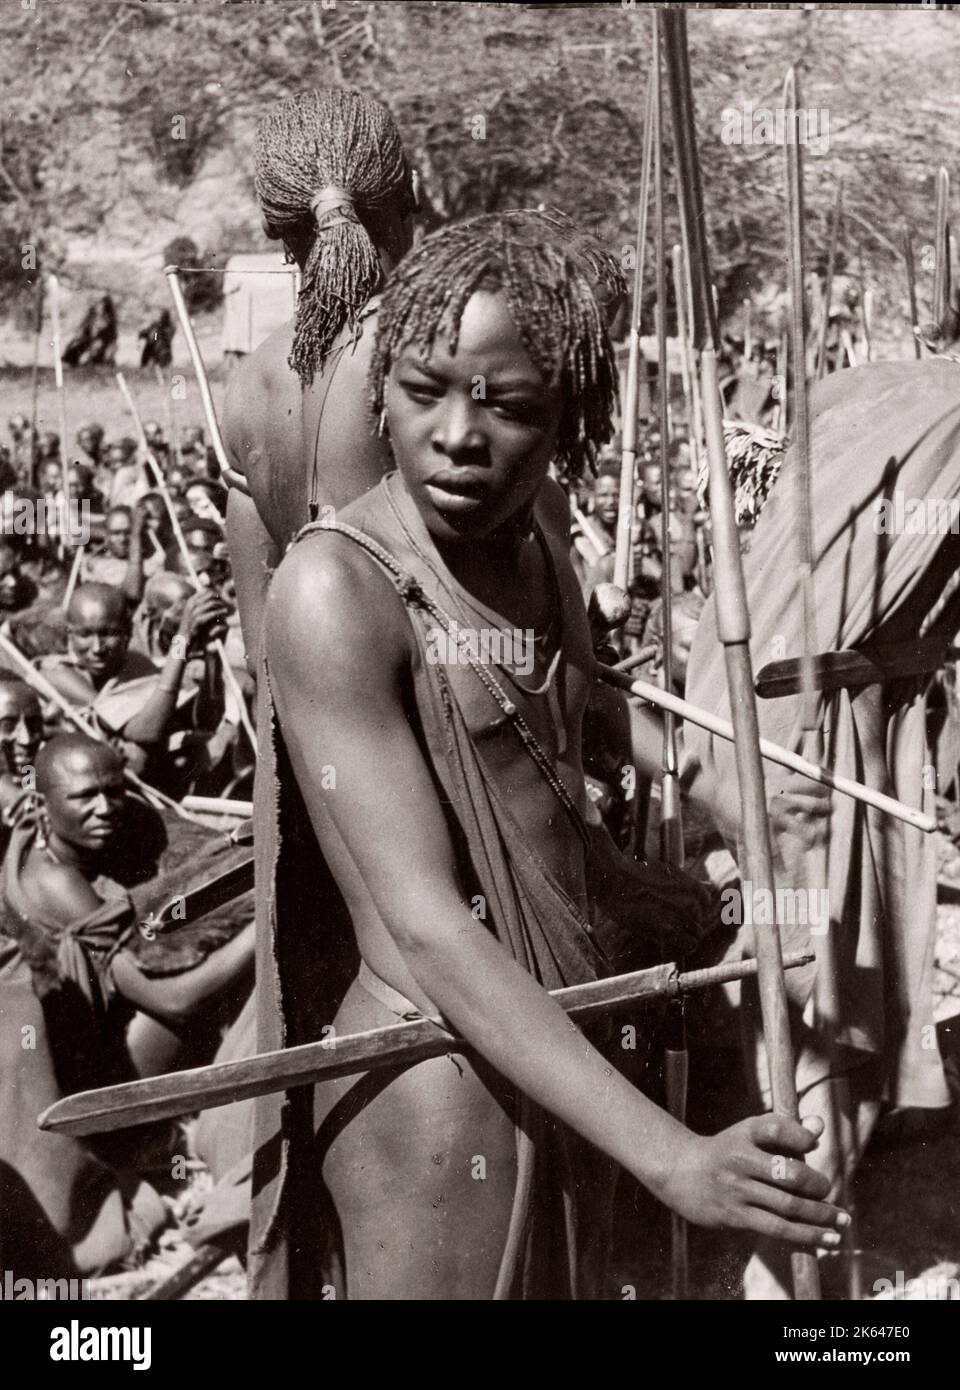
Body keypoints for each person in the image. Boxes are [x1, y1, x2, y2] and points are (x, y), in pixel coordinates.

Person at [254, 218, 848, 1300]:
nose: (456, 438)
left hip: (571, 1040)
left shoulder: (533, 547)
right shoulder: (336, 594)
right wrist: (672, 1154)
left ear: (575, 416)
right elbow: (429, 926)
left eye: (510, 406)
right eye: (422, 390)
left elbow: (572, 712)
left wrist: (702, 781)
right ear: (381, 390)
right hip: (441, 1082)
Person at [683, 358, 958, 1297]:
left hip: (749, 704)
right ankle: (801, 1303)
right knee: (819, 1029)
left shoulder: (879, 385)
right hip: (808, 728)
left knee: (794, 1013)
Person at [0, 733, 255, 1275]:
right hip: (91, 1083)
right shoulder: (52, 882)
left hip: (91, 1039)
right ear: (42, 803)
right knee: (203, 999)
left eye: (115, 793)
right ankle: (155, 1136)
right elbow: (176, 1001)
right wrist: (263, 924)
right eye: (85, 797)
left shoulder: (77, 840)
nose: (105, 809)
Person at [222, 87, 418, 669]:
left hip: (298, 729)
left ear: (276, 228)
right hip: (429, 726)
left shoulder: (250, 380)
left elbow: (260, 652)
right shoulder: (426, 353)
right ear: (412, 192)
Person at [41, 582, 226, 781]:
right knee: (137, 756)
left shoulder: (136, 664)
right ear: (69, 633)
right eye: (85, 634)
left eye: (108, 634)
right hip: (65, 778)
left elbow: (206, 723)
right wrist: (182, 639)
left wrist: (212, 656)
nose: (97, 648)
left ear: (128, 631)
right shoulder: (57, 674)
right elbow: (146, 732)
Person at [61, 295, 117, 368]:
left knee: (93, 348)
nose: (97, 307)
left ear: (105, 307)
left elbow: (109, 337)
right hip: (88, 342)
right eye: (97, 305)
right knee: (76, 346)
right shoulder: (91, 318)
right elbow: (84, 332)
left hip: (100, 345)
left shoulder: (108, 320)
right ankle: (71, 362)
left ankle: (89, 362)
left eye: (100, 305)